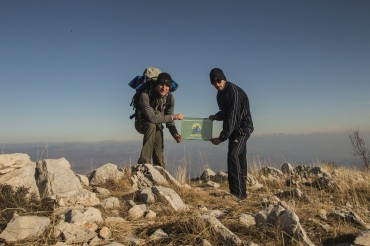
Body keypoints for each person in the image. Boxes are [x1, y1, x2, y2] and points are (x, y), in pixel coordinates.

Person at [208, 68, 254, 200]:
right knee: (239, 157)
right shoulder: (220, 94)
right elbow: (225, 113)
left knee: (233, 156)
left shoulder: (233, 92)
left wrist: (221, 138)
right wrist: (216, 116)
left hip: (243, 129)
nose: (217, 84)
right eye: (213, 82)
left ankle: (237, 194)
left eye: (219, 80)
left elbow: (233, 116)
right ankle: (242, 193)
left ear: (224, 78)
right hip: (234, 130)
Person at [135, 72, 184, 168]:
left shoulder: (170, 98)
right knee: (151, 125)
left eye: (167, 86)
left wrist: (175, 134)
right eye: (161, 84)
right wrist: (174, 117)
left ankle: (161, 171)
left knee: (159, 150)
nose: (164, 88)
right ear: (156, 84)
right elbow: (152, 118)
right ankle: (144, 164)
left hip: (157, 124)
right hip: (141, 123)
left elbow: (169, 120)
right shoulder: (145, 94)